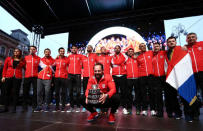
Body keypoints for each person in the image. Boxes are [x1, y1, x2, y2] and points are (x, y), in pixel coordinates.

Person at [184, 33, 203, 121]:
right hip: (191, 74)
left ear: (196, 37)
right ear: (186, 39)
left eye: (193, 37)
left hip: (202, 72)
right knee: (193, 95)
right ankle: (196, 113)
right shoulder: (184, 48)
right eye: (189, 38)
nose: (191, 39)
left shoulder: (201, 44)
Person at [1, 48, 25, 113]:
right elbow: (5, 68)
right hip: (8, 76)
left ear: (20, 53)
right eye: (15, 51)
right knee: (7, 92)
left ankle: (14, 108)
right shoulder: (8, 59)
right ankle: (6, 108)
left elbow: (25, 68)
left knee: (16, 93)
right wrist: (3, 76)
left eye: (17, 51)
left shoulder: (22, 60)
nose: (16, 52)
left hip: (18, 77)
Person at [165, 36, 182, 119]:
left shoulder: (182, 49)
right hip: (171, 77)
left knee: (184, 95)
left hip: (181, 75)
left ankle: (192, 114)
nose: (171, 42)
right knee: (172, 96)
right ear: (167, 44)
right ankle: (177, 113)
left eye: (173, 41)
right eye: (169, 41)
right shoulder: (166, 52)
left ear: (176, 42)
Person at [136, 43, 155, 116]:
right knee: (143, 93)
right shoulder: (138, 57)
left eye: (144, 46)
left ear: (146, 47)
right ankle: (144, 109)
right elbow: (137, 66)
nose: (143, 47)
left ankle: (153, 109)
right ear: (139, 48)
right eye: (141, 46)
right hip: (142, 76)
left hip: (150, 76)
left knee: (151, 93)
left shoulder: (151, 52)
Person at [111, 45, 128, 114]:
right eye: (116, 48)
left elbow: (120, 62)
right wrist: (120, 63)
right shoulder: (111, 57)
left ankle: (124, 107)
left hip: (123, 75)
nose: (117, 49)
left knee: (124, 92)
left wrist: (117, 63)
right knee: (115, 93)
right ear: (114, 49)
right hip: (115, 76)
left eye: (118, 48)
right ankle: (116, 108)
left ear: (120, 49)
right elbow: (112, 64)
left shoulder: (124, 55)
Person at [23, 46, 40, 112]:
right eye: (31, 49)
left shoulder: (38, 58)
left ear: (36, 50)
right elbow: (24, 66)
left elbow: (42, 67)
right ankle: (24, 106)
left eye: (33, 49)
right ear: (29, 50)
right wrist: (27, 71)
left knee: (35, 92)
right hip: (27, 76)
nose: (32, 50)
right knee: (25, 92)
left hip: (35, 77)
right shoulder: (26, 58)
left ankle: (34, 106)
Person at [151, 42, 167, 117]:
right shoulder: (152, 55)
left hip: (165, 76)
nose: (156, 47)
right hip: (156, 78)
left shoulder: (164, 53)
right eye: (155, 47)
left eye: (157, 46)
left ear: (160, 47)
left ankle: (170, 111)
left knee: (168, 94)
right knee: (158, 96)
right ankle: (160, 112)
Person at [67, 45, 83, 112]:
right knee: (70, 91)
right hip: (70, 75)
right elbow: (66, 65)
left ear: (77, 49)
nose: (74, 49)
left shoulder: (80, 56)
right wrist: (68, 72)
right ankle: (71, 106)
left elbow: (85, 62)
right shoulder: (69, 57)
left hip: (77, 75)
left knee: (78, 91)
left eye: (75, 48)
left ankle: (78, 106)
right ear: (71, 49)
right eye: (72, 48)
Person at [81, 45, 96, 112]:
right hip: (85, 76)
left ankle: (95, 106)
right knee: (85, 91)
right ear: (86, 49)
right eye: (88, 47)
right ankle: (86, 106)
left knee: (94, 91)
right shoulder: (83, 56)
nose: (89, 48)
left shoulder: (95, 55)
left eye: (90, 47)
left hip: (93, 77)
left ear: (92, 49)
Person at [54, 47, 68, 112]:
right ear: (59, 52)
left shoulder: (67, 59)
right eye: (61, 51)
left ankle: (63, 106)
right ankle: (57, 106)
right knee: (57, 92)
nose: (62, 52)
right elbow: (51, 65)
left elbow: (69, 67)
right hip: (56, 77)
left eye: (63, 51)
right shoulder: (56, 59)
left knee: (63, 93)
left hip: (64, 77)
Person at [125, 48, 139, 114]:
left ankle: (138, 108)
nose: (130, 53)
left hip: (137, 78)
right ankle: (129, 108)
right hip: (128, 79)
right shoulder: (125, 60)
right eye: (129, 52)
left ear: (133, 52)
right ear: (127, 53)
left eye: (131, 51)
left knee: (138, 94)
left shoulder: (137, 59)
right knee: (128, 94)